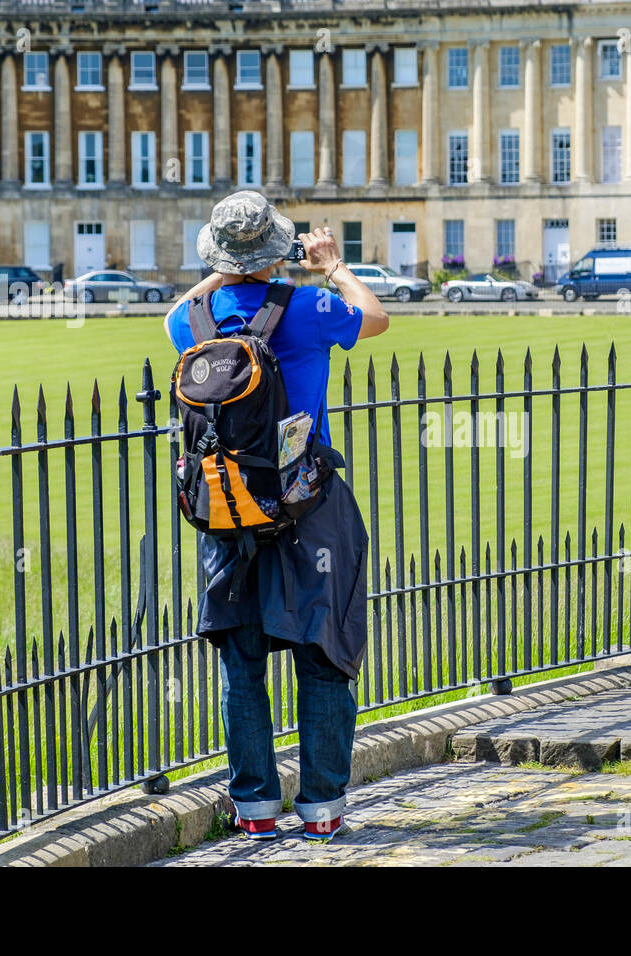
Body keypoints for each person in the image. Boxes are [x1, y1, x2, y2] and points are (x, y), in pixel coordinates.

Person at [163, 191, 388, 842]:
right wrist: (330, 265)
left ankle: (256, 807)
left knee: (242, 660)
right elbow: (374, 318)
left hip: (226, 503)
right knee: (321, 655)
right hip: (304, 502)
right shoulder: (309, 307)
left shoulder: (193, 322)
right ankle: (322, 808)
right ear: (273, 251)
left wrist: (226, 270)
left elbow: (176, 309)